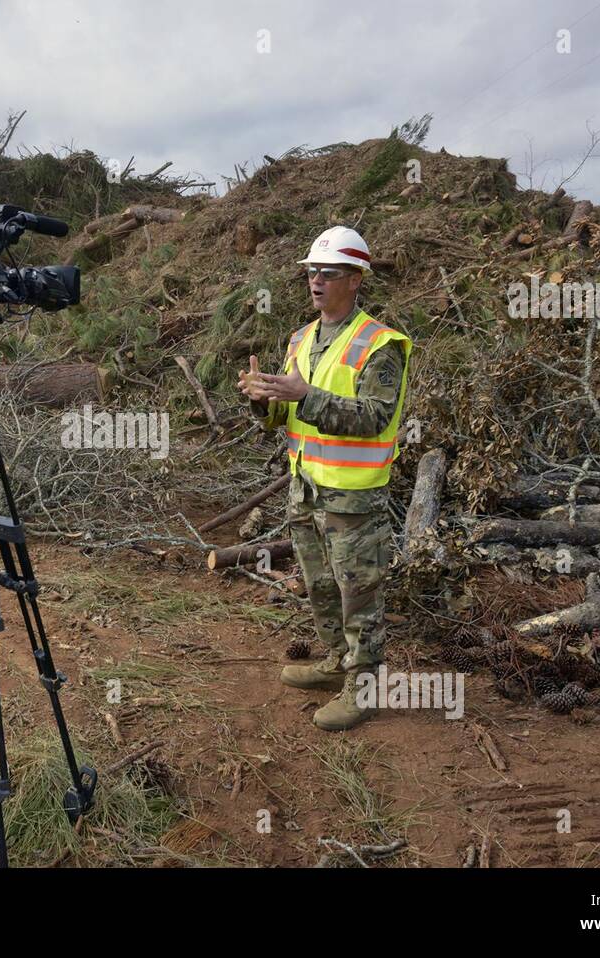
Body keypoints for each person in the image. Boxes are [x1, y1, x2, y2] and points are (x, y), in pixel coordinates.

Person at [238, 226, 412, 731]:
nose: (316, 281)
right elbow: (286, 416)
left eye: (328, 272)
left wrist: (303, 395)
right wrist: (261, 402)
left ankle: (365, 687)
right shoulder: (301, 338)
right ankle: (337, 662)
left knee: (359, 596)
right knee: (320, 588)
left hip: (352, 499)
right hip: (306, 489)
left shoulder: (381, 344)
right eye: (312, 271)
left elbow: (375, 417)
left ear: (355, 279)